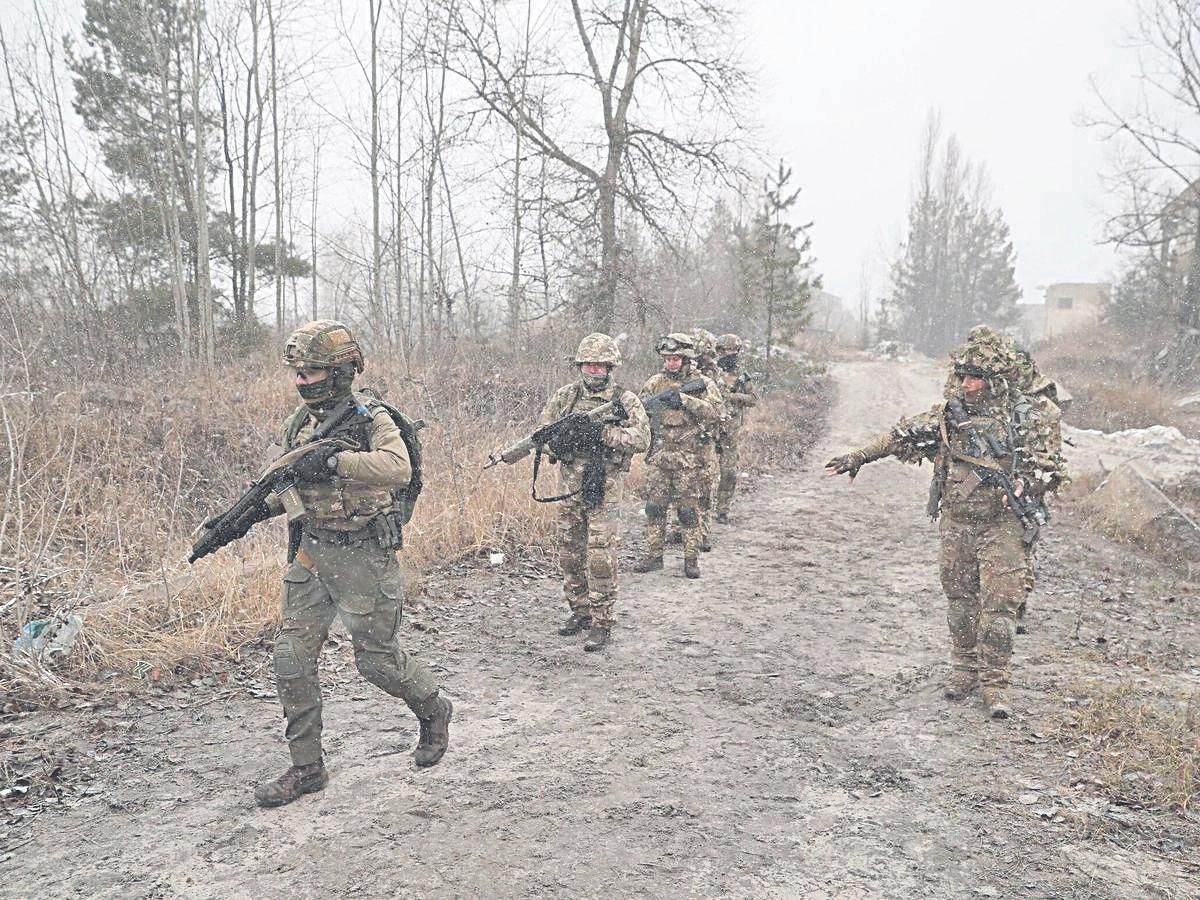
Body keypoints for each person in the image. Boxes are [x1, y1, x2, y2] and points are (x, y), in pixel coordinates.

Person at [253, 320, 452, 807]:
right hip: (313, 551)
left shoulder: (371, 419)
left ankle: (432, 707)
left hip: (364, 554)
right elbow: (295, 481)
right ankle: (307, 768)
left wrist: (336, 464)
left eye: (313, 372)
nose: (302, 381)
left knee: (377, 662)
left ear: (341, 371)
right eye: (297, 372)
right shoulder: (299, 423)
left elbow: (396, 467)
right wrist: (259, 507)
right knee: (291, 657)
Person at [825, 327, 1066, 718]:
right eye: (964, 375)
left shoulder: (1027, 418)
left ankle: (995, 684)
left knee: (1000, 610)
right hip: (956, 523)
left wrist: (1027, 484)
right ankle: (964, 670)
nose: (968, 385)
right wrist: (858, 457)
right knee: (960, 604)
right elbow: (899, 436)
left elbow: (1050, 467)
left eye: (977, 377)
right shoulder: (949, 416)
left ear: (995, 381)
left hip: (1002, 525)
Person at [538, 333, 650, 651]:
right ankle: (580, 611)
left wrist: (603, 434)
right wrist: (561, 442)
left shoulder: (625, 400)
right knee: (570, 553)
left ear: (610, 367)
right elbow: (542, 433)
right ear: (580, 366)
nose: (594, 371)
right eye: (589, 365)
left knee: (600, 555)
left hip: (606, 487)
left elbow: (642, 439)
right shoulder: (565, 397)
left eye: (600, 365)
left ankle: (602, 621)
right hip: (569, 488)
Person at [634, 333, 725, 579]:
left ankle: (691, 559)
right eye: (667, 359)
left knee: (688, 511)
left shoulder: (704, 384)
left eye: (675, 359)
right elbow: (639, 412)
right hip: (661, 456)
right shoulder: (654, 383)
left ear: (686, 359)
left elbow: (717, 414)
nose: (671, 363)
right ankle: (654, 556)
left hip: (690, 459)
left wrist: (684, 401)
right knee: (654, 508)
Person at [713, 333, 760, 523]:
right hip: (709, 429)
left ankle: (722, 510)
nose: (729, 355)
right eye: (725, 351)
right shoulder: (710, 373)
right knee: (702, 472)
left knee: (728, 472)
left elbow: (754, 399)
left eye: (733, 351)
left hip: (730, 431)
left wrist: (733, 397)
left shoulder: (742, 376)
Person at [690, 329, 727, 551]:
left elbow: (718, 408)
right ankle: (684, 530)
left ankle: (702, 533)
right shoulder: (684, 373)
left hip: (705, 437)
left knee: (704, 487)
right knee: (684, 488)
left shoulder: (712, 376)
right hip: (684, 438)